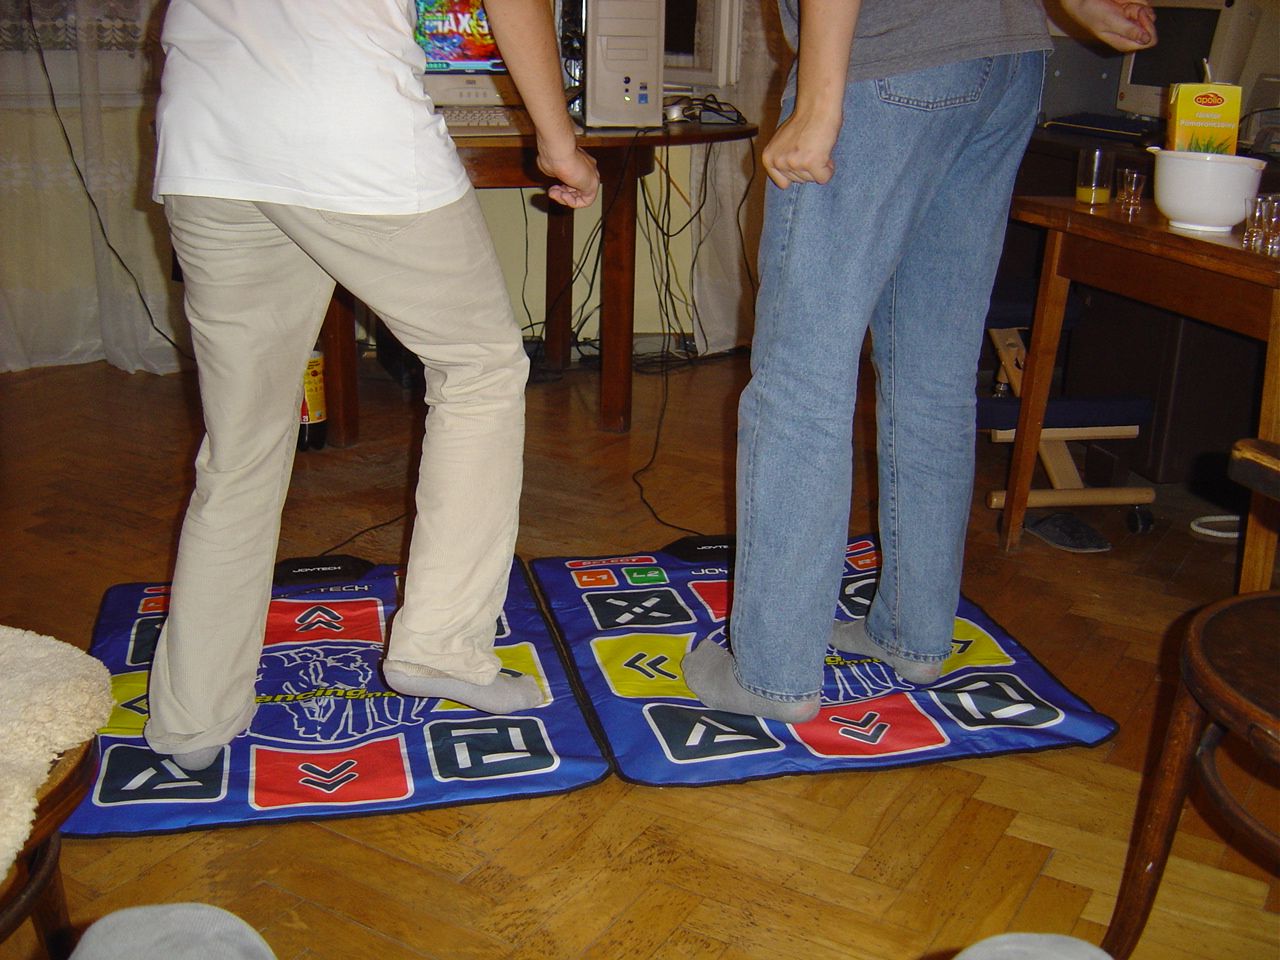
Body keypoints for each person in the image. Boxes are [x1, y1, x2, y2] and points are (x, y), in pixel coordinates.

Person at [143, 0, 599, 771]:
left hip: (206, 131)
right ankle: (442, 648)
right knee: (481, 368)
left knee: (241, 445)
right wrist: (560, 145)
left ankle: (192, 718)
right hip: (347, 125)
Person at [683, 0, 1156, 723]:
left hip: (892, 55)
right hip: (1007, 59)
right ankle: (913, 635)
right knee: (935, 377)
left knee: (802, 384)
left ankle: (773, 675)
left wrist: (818, 104)